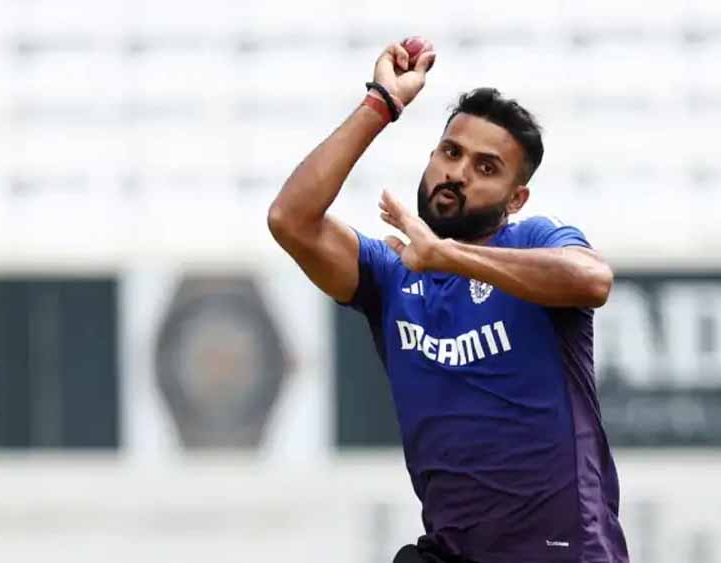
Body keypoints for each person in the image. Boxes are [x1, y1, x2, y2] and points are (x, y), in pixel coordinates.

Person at [267, 39, 628, 563]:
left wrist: (448, 256)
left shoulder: (533, 240)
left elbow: (593, 279)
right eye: (451, 153)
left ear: (516, 199)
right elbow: (290, 220)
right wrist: (381, 103)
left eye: (487, 168)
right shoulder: (390, 275)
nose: (457, 173)